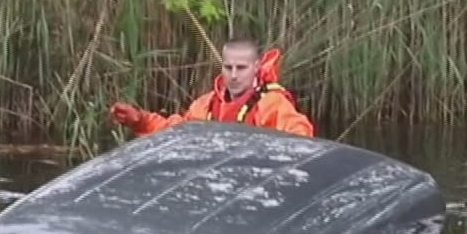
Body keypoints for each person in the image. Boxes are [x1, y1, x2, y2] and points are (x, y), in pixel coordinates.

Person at [110, 40, 315, 137]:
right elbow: (176, 133)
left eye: (241, 68)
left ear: (255, 67)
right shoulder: (207, 104)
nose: (233, 75)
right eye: (228, 67)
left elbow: (301, 138)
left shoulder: (272, 104)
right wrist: (140, 120)